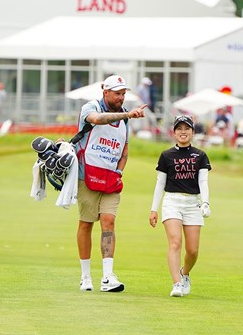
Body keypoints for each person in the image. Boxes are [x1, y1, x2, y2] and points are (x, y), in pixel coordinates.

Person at [74, 74, 147, 293]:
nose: (121, 98)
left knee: (109, 222)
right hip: (86, 174)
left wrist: (118, 172)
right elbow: (96, 120)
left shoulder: (124, 119)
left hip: (111, 179)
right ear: (105, 91)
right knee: (86, 223)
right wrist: (128, 114)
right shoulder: (90, 107)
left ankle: (107, 277)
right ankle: (85, 276)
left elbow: (124, 152)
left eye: (124, 94)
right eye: (117, 94)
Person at [149, 115, 211, 297]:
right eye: (179, 129)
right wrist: (154, 208)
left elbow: (203, 181)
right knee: (175, 242)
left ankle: (184, 274)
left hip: (192, 203)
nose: (183, 132)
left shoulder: (200, 156)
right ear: (174, 132)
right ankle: (176, 283)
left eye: (187, 129)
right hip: (172, 202)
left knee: (192, 250)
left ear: (192, 132)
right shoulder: (166, 155)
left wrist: (205, 202)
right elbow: (160, 183)